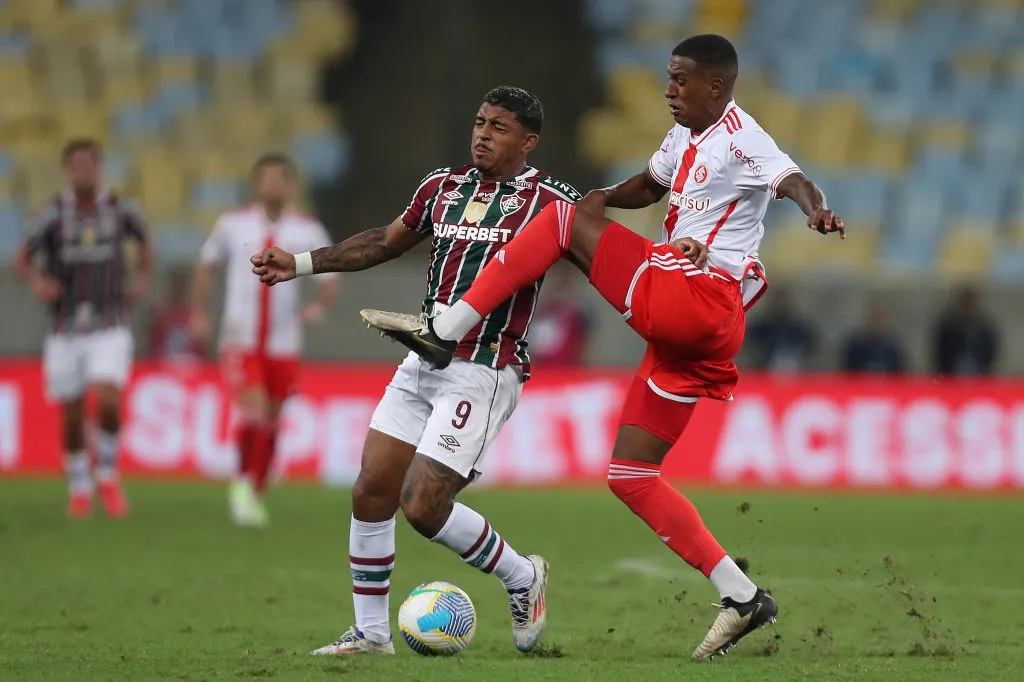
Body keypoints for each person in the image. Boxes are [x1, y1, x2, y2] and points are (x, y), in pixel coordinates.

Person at [355, 36, 845, 660]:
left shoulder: (742, 138)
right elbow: (651, 185)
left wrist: (817, 211)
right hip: (689, 329)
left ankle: (444, 330)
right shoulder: (681, 136)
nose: (668, 89)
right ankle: (743, 598)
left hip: (699, 302)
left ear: (715, 87)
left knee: (557, 225)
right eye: (668, 78)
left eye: (679, 80)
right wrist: (604, 198)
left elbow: (792, 180)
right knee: (631, 475)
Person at [251, 87, 635, 656]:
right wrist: (303, 263)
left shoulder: (553, 202)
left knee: (424, 506)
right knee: (371, 491)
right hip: (422, 357)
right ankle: (373, 634)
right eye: (479, 122)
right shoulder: (442, 187)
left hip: (484, 369)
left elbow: (606, 252)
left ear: (527, 141)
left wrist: (671, 259)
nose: (482, 133)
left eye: (499, 127)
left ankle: (522, 577)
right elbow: (385, 241)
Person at [191, 153, 339, 527]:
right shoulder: (233, 224)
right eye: (266, 179)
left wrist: (317, 307)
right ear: (256, 185)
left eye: (280, 179)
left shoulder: (306, 228)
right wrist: (199, 312)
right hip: (241, 336)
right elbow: (206, 265)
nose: (273, 186)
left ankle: (253, 491)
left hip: (284, 340)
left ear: (290, 186)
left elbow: (331, 274)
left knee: (272, 420)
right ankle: (242, 486)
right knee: (254, 412)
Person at [13, 138, 152, 519]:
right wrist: (37, 282)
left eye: (89, 165)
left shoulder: (121, 208)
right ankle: (79, 485)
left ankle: (106, 472)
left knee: (108, 399)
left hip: (110, 322)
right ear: (67, 171)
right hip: (65, 326)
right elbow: (22, 256)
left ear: (99, 168)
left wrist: (141, 278)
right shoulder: (53, 214)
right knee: (72, 412)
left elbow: (145, 241)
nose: (84, 172)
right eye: (76, 166)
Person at [745, 285, 816, 372]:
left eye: (784, 300)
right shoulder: (758, 329)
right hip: (764, 375)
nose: (781, 304)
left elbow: (812, 356)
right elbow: (751, 354)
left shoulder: (802, 330)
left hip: (799, 377)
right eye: (778, 300)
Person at [932, 284, 999, 376]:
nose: (967, 306)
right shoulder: (948, 327)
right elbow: (940, 354)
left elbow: (990, 353)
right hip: (951, 374)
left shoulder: (984, 328)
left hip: (979, 374)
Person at [148, 266, 203, 364]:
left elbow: (201, 350)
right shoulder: (162, 316)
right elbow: (154, 349)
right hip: (165, 364)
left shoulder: (195, 317)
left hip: (190, 366)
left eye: (182, 283)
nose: (179, 287)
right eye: (176, 283)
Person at [841, 301, 905, 374]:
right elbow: (847, 374)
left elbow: (898, 376)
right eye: (872, 318)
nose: (875, 322)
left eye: (879, 319)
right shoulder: (855, 348)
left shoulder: (891, 349)